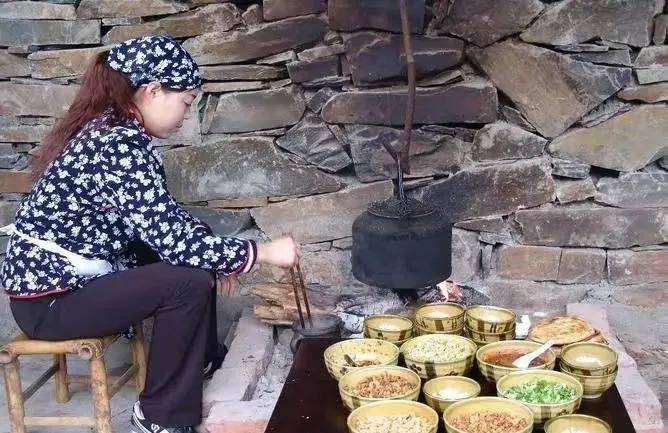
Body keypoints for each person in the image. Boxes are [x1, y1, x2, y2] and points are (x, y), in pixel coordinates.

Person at [0, 36, 299, 433]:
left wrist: (219, 255)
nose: (186, 116)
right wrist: (261, 252)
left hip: (73, 285)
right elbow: (172, 240)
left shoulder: (119, 133)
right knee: (186, 278)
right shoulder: (116, 144)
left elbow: (165, 220)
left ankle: (200, 360)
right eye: (186, 103)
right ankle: (159, 417)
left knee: (195, 247)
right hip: (51, 302)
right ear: (153, 91)